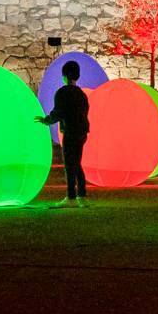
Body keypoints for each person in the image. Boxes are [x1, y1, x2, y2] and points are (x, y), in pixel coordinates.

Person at [37, 60, 91, 208]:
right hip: (82, 132)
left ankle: (71, 197)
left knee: (70, 164)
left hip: (71, 132)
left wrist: (46, 121)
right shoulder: (82, 94)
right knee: (77, 163)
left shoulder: (63, 93)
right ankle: (82, 195)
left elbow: (58, 113)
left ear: (65, 76)